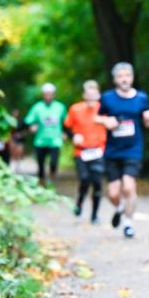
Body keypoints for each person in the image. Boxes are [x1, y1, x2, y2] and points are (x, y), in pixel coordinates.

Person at [96, 62, 149, 238]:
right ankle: (121, 207)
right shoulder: (107, 98)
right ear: (115, 79)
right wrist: (105, 121)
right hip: (113, 151)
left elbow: (148, 119)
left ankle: (128, 223)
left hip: (133, 149)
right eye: (120, 76)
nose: (124, 79)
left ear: (132, 78)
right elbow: (96, 116)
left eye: (127, 76)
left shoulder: (141, 98)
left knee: (129, 187)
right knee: (113, 193)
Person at [64, 79, 107, 224]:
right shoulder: (75, 109)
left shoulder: (104, 109)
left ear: (98, 95)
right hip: (81, 152)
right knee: (84, 179)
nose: (91, 98)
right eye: (88, 95)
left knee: (97, 183)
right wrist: (73, 136)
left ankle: (94, 215)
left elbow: (113, 125)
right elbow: (66, 126)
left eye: (94, 95)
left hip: (98, 151)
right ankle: (79, 202)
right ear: (84, 95)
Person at [24, 83, 67, 187]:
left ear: (54, 95)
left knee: (53, 163)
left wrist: (65, 132)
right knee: (40, 163)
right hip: (40, 140)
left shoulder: (60, 107)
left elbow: (66, 122)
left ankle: (51, 178)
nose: (48, 96)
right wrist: (32, 126)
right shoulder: (37, 107)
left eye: (50, 94)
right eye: (46, 94)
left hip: (55, 140)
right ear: (43, 95)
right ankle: (41, 180)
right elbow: (28, 120)